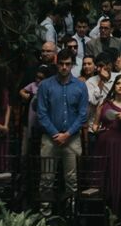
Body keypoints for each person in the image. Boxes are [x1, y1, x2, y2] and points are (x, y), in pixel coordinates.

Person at [36, 50, 89, 212]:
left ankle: (70, 212)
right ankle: (45, 213)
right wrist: (55, 134)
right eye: (61, 64)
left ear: (72, 65)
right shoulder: (45, 85)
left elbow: (83, 115)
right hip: (49, 138)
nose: (64, 67)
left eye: (67, 64)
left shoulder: (80, 86)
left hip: (71, 138)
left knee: (72, 179)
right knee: (46, 178)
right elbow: (41, 113)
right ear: (56, 64)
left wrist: (67, 134)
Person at [89, 71, 121, 219]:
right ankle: (100, 214)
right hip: (104, 144)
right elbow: (95, 125)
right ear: (114, 86)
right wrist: (98, 130)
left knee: (120, 177)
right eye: (118, 83)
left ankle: (119, 214)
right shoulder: (104, 104)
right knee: (104, 177)